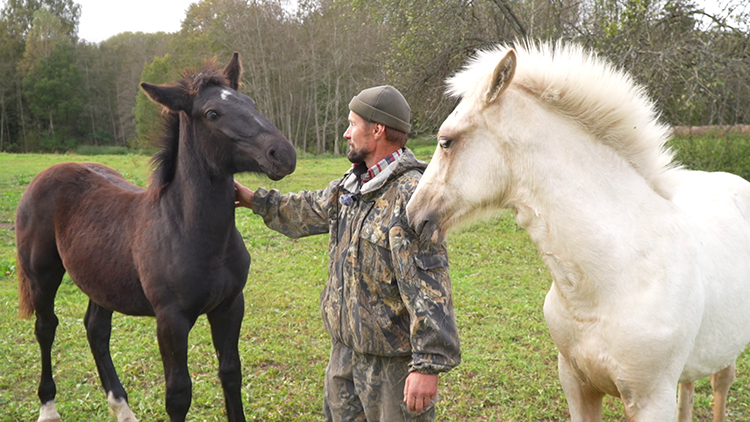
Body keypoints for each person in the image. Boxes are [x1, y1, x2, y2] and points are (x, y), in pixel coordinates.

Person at [234, 85, 461, 422]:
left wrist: (427, 367)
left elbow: (430, 286)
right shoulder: (352, 184)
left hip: (392, 368)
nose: (346, 133)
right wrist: (255, 199)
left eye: (352, 124)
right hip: (344, 355)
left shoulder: (412, 196)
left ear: (378, 129)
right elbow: (311, 208)